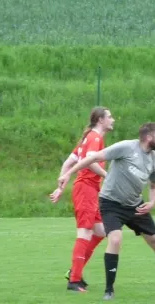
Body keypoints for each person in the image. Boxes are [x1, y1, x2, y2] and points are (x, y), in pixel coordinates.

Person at [58, 122, 155, 299]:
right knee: (115, 239)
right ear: (149, 137)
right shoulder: (126, 147)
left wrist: (152, 201)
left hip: (135, 206)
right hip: (111, 203)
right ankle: (109, 290)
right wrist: (68, 173)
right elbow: (93, 158)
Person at [49, 106, 112, 291]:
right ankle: (74, 280)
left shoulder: (87, 138)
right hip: (85, 189)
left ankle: (75, 271)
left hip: (90, 190)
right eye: (110, 117)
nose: (113, 120)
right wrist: (108, 176)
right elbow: (90, 163)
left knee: (100, 231)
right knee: (85, 232)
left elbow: (69, 162)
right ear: (100, 120)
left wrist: (60, 187)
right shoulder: (94, 137)